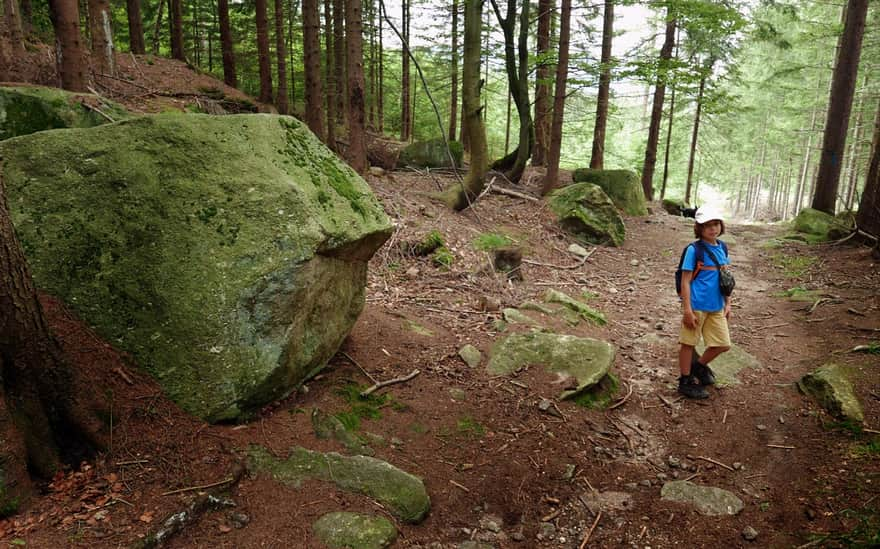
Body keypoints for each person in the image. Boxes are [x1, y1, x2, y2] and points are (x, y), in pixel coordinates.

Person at [677, 206, 732, 399]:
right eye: (707, 225)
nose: (712, 228)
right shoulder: (694, 250)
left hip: (716, 305)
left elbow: (725, 277)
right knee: (688, 343)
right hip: (697, 305)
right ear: (699, 228)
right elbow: (685, 280)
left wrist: (728, 302)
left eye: (716, 224)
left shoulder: (723, 247)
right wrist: (687, 310)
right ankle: (685, 380)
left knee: (723, 344)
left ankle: (698, 367)